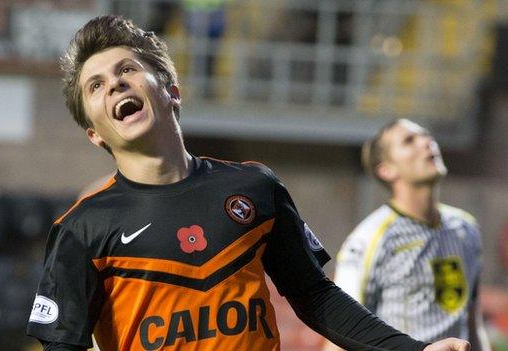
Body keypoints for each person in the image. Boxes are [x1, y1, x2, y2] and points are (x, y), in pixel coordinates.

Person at [26, 15, 470, 351]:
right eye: (95, 85)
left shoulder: (255, 187)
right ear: (95, 134)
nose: (115, 85)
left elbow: (315, 297)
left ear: (171, 89)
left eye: (127, 69)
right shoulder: (81, 228)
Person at [324, 119, 490, 351]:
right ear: (386, 169)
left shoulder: (466, 228)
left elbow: (471, 320)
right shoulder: (368, 239)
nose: (426, 142)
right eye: (409, 141)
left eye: (425, 135)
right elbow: (340, 336)